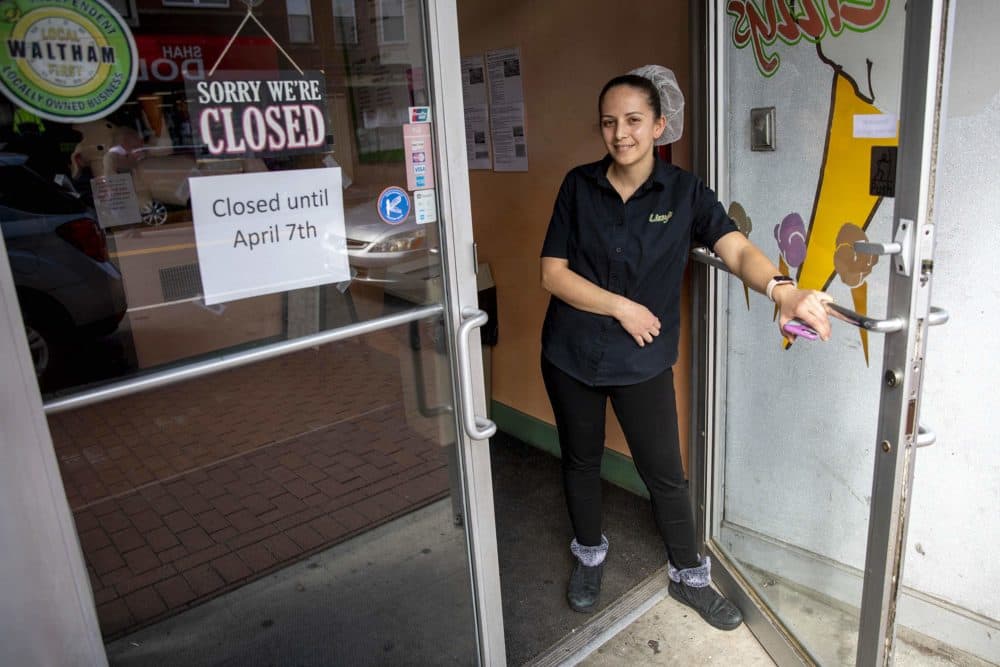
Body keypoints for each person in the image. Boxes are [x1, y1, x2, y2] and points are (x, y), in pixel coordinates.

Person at [539, 67, 834, 630]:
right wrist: (621, 306)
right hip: (570, 352)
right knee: (580, 459)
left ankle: (689, 576)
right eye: (609, 122)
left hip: (641, 361)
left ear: (658, 125)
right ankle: (588, 555)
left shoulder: (686, 193)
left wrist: (781, 288)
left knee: (665, 472)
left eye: (632, 121)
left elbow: (737, 248)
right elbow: (552, 274)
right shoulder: (578, 185)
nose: (620, 134)